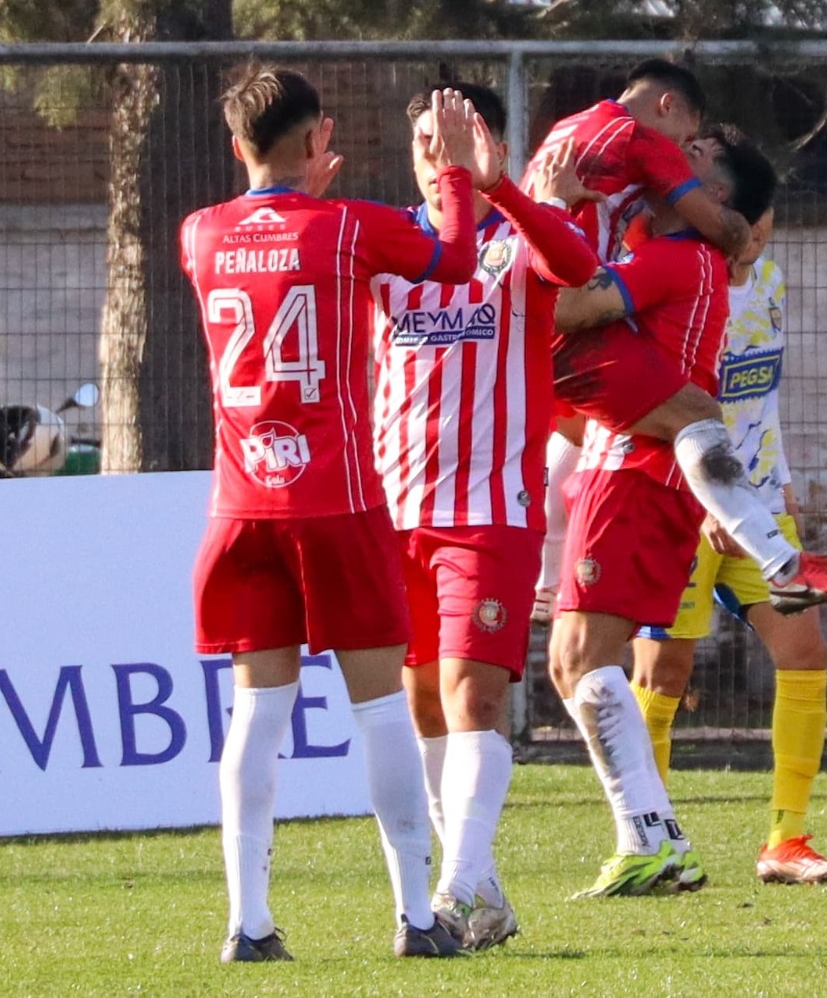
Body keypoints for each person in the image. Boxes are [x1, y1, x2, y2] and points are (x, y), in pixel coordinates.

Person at [180, 64, 479, 961]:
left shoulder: (199, 234)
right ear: (320, 140)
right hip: (337, 500)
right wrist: (455, 169)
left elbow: (266, 242)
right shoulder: (348, 225)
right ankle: (417, 919)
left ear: (238, 146)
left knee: (257, 715)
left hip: (241, 509)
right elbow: (456, 261)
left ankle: (249, 922)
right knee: (382, 710)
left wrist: (294, 190)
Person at [370, 82, 598, 950]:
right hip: (395, 511)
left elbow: (580, 270)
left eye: (455, 140)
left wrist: (501, 189)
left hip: (488, 509)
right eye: (426, 142)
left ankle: (459, 885)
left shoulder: (516, 237)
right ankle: (482, 885)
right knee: (422, 699)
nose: (440, 159)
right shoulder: (388, 245)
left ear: (488, 145)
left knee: (475, 691)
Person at [530, 59, 827, 624]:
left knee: (585, 426)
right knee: (693, 413)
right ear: (668, 108)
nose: (681, 154)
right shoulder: (648, 154)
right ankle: (784, 568)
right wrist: (740, 234)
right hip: (575, 350)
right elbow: (718, 228)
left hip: (537, 322)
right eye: (689, 141)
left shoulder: (568, 131)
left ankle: (544, 582)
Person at [543, 125, 775, 898]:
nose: (666, 166)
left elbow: (569, 309)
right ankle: (656, 835)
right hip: (640, 469)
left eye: (692, 162)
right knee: (572, 662)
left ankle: (652, 838)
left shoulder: (674, 256)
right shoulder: (695, 259)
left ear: (714, 200)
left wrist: (557, 207)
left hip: (635, 476)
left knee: (583, 661)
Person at [630, 209, 827, 886]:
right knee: (662, 675)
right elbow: (659, 403)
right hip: (682, 502)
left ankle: (787, 840)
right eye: (737, 216)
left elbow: (762, 398)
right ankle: (649, 841)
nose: (750, 231)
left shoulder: (771, 283)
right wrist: (708, 502)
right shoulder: (684, 290)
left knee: (805, 652)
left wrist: (779, 480)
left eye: (761, 219)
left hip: (756, 504)